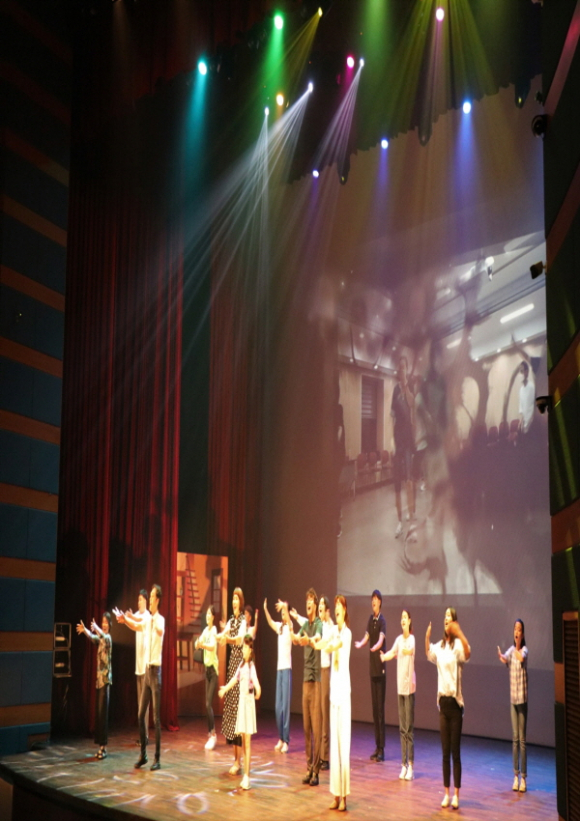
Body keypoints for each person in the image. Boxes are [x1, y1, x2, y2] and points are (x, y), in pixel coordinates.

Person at [425, 607, 471, 809]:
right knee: (444, 752)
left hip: (455, 705)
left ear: (454, 622)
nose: (446, 620)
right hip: (443, 705)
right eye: (444, 617)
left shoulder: (458, 646)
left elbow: (468, 653)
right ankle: (445, 793)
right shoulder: (440, 646)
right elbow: (429, 653)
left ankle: (457, 795)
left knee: (455, 752)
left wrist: (460, 633)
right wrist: (427, 637)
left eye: (449, 618)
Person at [121, 584, 165, 771]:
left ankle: (157, 758)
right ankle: (144, 755)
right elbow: (137, 626)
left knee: (156, 718)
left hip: (155, 673)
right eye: (151, 596)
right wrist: (125, 620)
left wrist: (152, 620)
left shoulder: (159, 620)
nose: (151, 599)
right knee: (140, 715)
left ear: (157, 600)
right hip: (146, 672)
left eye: (153, 596)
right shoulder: (147, 620)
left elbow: (160, 631)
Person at [316, 595, 352, 812]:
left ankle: (345, 796)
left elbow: (335, 644)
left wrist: (326, 646)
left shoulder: (347, 633)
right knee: (335, 748)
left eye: (340, 606)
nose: (337, 608)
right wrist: (313, 642)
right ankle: (336, 795)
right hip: (334, 695)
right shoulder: (333, 631)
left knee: (343, 746)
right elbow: (324, 642)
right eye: (336, 605)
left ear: (344, 610)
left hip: (344, 694)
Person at [292, 595, 334, 769]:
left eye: (323, 604)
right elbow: (305, 622)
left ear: (327, 610)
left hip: (324, 671)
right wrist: (295, 617)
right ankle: (318, 756)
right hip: (316, 674)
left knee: (324, 713)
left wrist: (311, 640)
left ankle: (325, 756)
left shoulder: (329, 626)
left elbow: (322, 639)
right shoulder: (316, 623)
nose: (321, 607)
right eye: (320, 604)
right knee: (316, 716)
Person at [219, 635, 261, 790]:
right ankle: (245, 776)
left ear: (250, 650)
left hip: (248, 705)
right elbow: (234, 680)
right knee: (243, 741)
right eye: (243, 647)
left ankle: (247, 777)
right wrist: (225, 688)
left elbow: (256, 683)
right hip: (242, 705)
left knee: (247, 743)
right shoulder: (241, 666)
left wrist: (258, 691)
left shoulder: (251, 667)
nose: (243, 649)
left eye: (245, 647)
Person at [291, 587, 323, 786]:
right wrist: (292, 632)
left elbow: (317, 638)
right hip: (305, 679)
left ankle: (316, 771)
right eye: (307, 600)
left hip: (316, 679)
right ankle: (309, 767)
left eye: (311, 600)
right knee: (306, 727)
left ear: (316, 604)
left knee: (316, 728)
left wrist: (308, 640)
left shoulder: (318, 623)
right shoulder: (305, 624)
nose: (308, 603)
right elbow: (296, 638)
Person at [381, 609, 416, 780]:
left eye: (405, 618)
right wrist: (384, 656)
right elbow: (392, 652)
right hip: (400, 689)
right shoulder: (398, 640)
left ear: (409, 621)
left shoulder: (412, 639)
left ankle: (411, 766)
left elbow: (409, 651)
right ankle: (403, 765)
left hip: (409, 689)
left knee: (409, 729)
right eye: (401, 617)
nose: (402, 620)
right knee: (402, 729)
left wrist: (402, 650)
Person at [113, 589, 150, 746]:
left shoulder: (147, 616)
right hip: (138, 665)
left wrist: (127, 619)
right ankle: (142, 734)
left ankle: (145, 736)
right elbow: (131, 623)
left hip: (146, 665)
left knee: (144, 704)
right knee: (139, 703)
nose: (139, 602)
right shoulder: (137, 614)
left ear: (146, 601)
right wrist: (123, 619)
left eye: (141, 599)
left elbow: (136, 624)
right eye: (138, 599)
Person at [354, 589, 387, 762]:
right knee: (374, 711)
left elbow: (381, 638)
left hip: (380, 670)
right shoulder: (370, 619)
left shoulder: (382, 620)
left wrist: (377, 646)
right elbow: (367, 635)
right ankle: (376, 746)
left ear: (380, 602)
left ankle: (382, 749)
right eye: (372, 599)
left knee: (380, 711)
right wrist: (361, 643)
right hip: (372, 670)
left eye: (376, 599)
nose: (373, 601)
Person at [76, 612, 112, 760]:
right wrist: (85, 629)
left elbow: (102, 636)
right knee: (98, 714)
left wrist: (97, 627)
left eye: (106, 622)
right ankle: (100, 746)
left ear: (109, 625)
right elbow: (93, 637)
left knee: (103, 714)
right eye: (102, 622)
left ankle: (103, 748)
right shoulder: (101, 639)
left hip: (105, 681)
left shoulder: (108, 638)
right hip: (98, 681)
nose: (104, 624)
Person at [498, 619, 528, 793]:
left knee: (522, 740)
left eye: (519, 629)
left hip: (522, 700)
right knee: (515, 739)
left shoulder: (524, 650)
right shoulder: (511, 650)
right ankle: (515, 776)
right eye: (515, 629)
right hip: (513, 700)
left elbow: (520, 657)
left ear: (522, 634)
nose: (516, 631)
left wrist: (516, 645)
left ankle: (523, 778)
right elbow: (505, 658)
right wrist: (501, 656)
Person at [218, 587, 246, 775]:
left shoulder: (243, 621)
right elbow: (224, 634)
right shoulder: (231, 620)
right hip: (231, 668)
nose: (234, 601)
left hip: (240, 669)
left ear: (241, 602)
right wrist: (215, 636)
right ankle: (235, 759)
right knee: (232, 715)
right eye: (233, 599)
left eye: (237, 599)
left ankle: (238, 761)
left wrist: (227, 639)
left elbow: (238, 639)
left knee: (238, 716)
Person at [263, 598, 292, 753]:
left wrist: (285, 606)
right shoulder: (280, 627)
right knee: (277, 707)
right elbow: (269, 622)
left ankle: (286, 740)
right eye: (281, 612)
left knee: (285, 707)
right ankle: (280, 738)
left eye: (284, 612)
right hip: (279, 670)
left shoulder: (290, 627)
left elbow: (289, 618)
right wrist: (265, 609)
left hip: (287, 670)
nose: (282, 614)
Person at [391, 356, 416, 538]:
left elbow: (412, 404)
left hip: (408, 442)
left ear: (407, 370)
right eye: (399, 368)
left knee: (409, 480)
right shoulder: (394, 390)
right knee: (397, 483)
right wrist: (391, 441)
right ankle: (399, 522)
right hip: (398, 442)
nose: (401, 370)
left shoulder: (409, 387)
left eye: (404, 368)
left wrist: (406, 387)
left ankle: (412, 522)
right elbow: (392, 416)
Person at [195, 605, 219, 750]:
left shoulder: (214, 630)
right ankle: (211, 734)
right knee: (206, 704)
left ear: (213, 617)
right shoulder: (205, 631)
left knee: (208, 703)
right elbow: (198, 643)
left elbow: (211, 647)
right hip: (207, 671)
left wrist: (202, 645)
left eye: (210, 614)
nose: (208, 616)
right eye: (207, 614)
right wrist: (197, 644)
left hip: (213, 671)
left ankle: (213, 734)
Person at [518, 361, 535, 436]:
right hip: (524, 424)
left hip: (531, 424)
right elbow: (521, 406)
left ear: (526, 372)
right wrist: (521, 420)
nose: (520, 374)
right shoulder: (521, 389)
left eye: (522, 371)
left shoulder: (531, 387)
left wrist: (530, 421)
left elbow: (533, 406)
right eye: (519, 371)